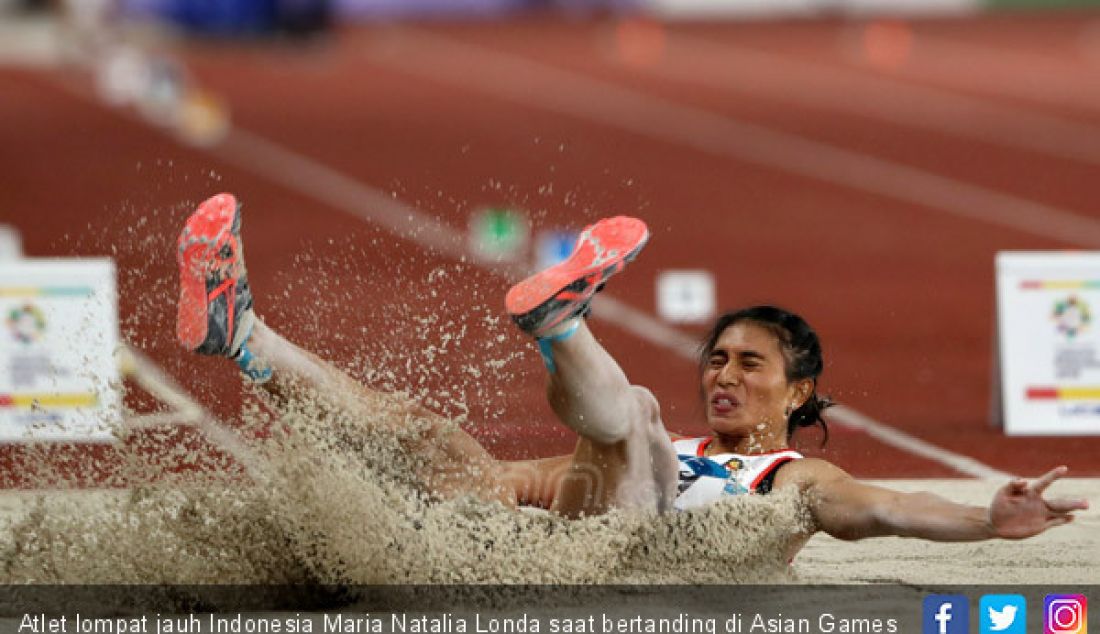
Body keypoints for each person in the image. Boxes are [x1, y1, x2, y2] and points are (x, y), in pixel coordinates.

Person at [176, 192, 1088, 559]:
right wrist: (458, 488)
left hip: (647, 572)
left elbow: (884, 508)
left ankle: (561, 328)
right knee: (432, 436)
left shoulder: (793, 478)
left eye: (750, 365)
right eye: (718, 357)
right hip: (575, 542)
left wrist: (984, 521)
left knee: (638, 419)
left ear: (800, 393)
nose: (724, 375)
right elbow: (534, 486)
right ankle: (243, 333)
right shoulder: (677, 445)